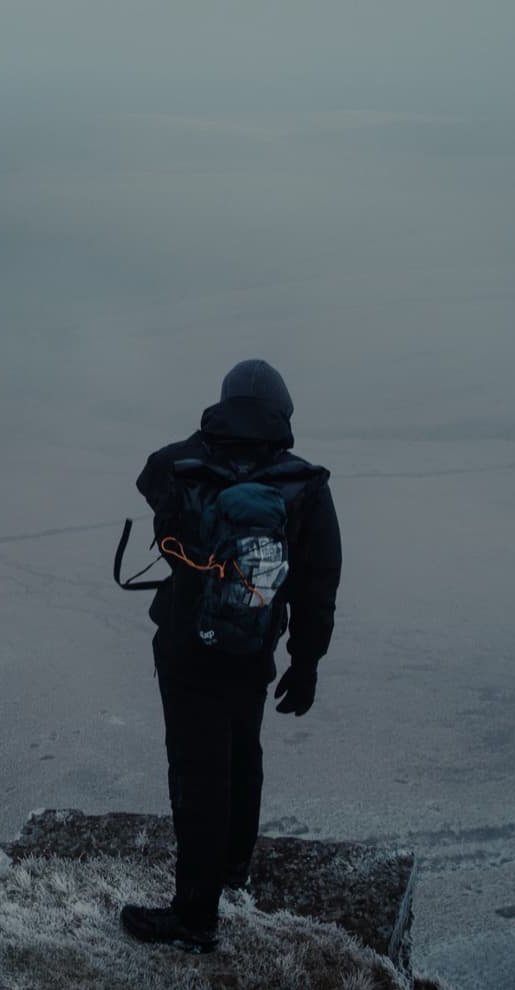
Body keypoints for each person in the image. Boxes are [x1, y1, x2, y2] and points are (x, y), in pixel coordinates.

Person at [120, 359, 342, 953]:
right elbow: (319, 584)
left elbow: (147, 478)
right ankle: (233, 869)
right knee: (243, 753)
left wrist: (208, 442)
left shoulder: (183, 467)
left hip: (187, 646)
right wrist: (306, 662)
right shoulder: (305, 486)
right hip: (254, 649)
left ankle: (194, 918)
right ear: (283, 413)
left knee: (197, 772)